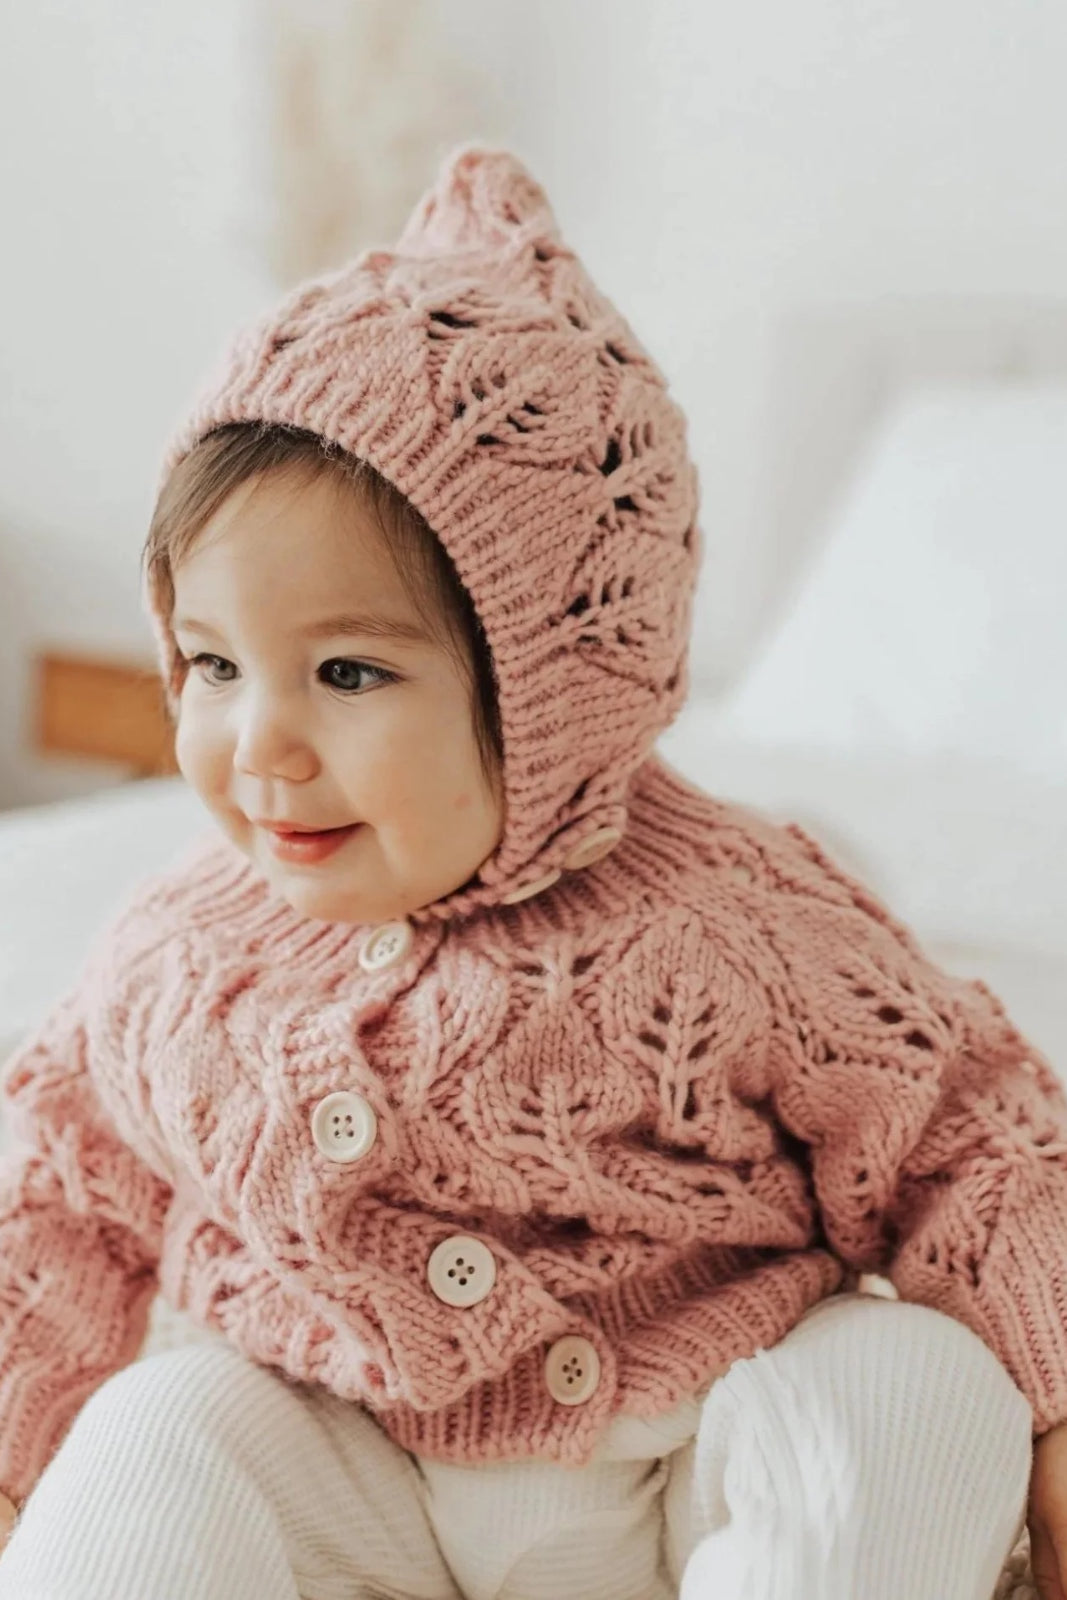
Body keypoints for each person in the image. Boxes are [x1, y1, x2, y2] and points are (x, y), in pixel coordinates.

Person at [0, 143, 1057, 1600]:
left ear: (556, 685)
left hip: (690, 1452)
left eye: (350, 670)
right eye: (212, 665)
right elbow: (54, 1196)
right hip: (356, 1466)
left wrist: (1056, 1398)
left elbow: (970, 1127)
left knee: (917, 1388)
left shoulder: (735, 916)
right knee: (155, 1428)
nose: (260, 743)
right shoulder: (176, 960)